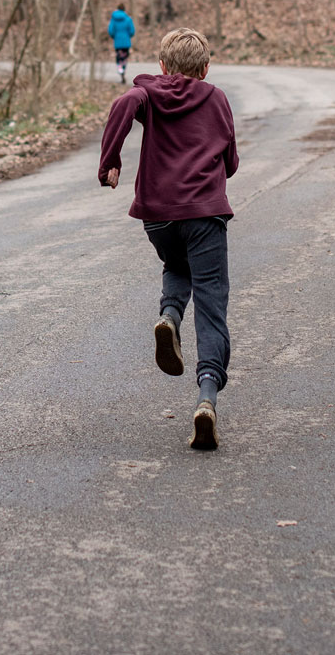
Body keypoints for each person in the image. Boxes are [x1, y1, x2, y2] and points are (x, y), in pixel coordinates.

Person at [97, 28, 238, 450]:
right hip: (204, 213)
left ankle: (170, 316)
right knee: (211, 300)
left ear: (161, 67)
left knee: (177, 265)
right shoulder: (216, 99)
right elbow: (230, 164)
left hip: (158, 217)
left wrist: (111, 160)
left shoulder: (149, 94)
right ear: (206, 67)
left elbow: (125, 102)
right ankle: (207, 398)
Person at [106, 6, 136, 83]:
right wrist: (128, 36)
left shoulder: (113, 19)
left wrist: (114, 36)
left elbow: (110, 30)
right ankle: (123, 70)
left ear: (118, 9)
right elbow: (132, 31)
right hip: (126, 42)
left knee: (119, 58)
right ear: (124, 10)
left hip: (117, 43)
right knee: (124, 58)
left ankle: (120, 70)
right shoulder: (128, 19)